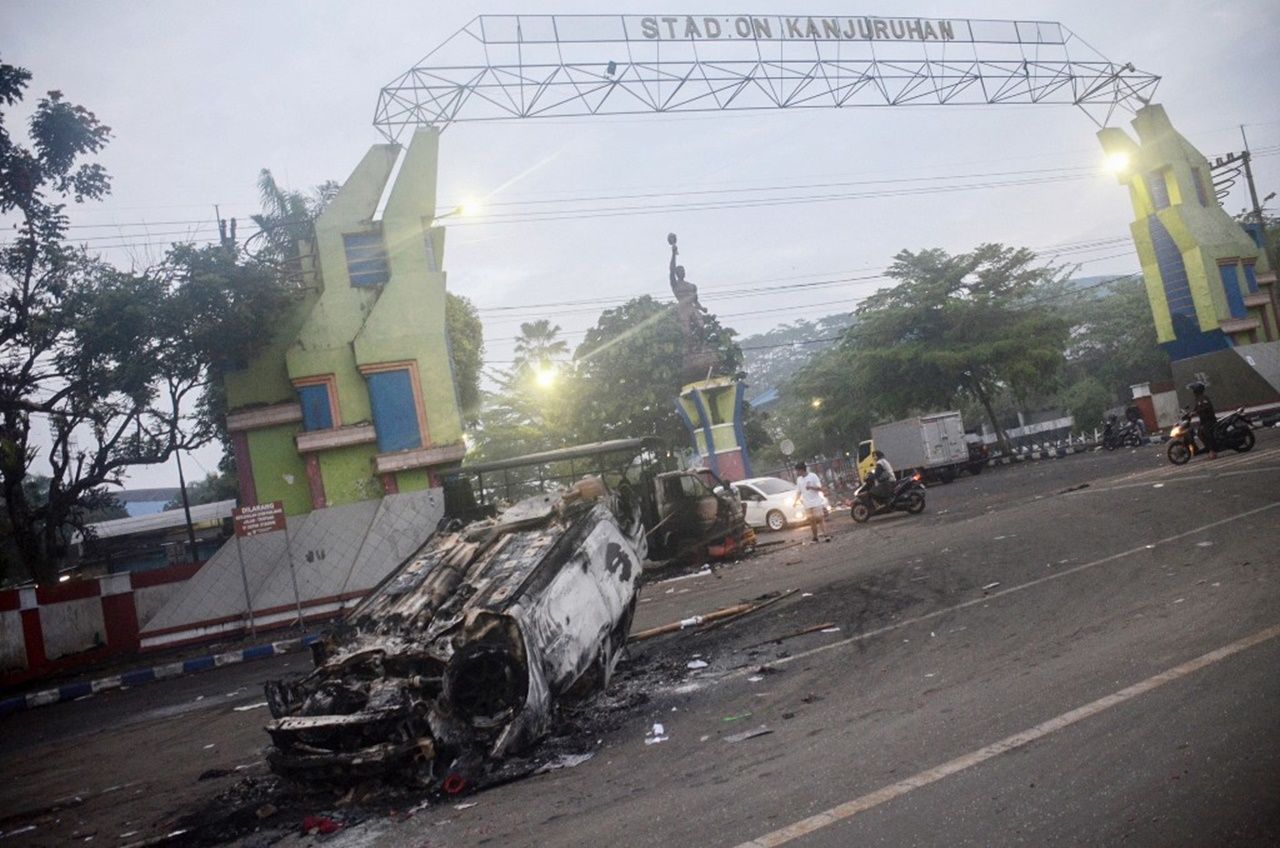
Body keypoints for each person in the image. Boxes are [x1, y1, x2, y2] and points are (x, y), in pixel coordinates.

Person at [794, 461, 830, 542]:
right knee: (812, 521)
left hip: (816, 502)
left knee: (820, 518)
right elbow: (799, 492)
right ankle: (815, 537)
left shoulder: (813, 476)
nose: (796, 472)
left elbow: (820, 488)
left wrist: (811, 487)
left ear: (801, 470)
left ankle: (826, 535)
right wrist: (795, 501)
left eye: (797, 470)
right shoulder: (799, 479)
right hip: (807, 503)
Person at [1190, 381, 1217, 459]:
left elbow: (1205, 407)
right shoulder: (1198, 399)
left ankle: (1212, 451)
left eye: (1193, 390)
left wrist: (1196, 412)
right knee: (1199, 432)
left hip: (1209, 420)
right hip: (1204, 421)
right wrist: (1190, 413)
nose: (1193, 392)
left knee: (1205, 433)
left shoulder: (1203, 398)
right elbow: (1196, 408)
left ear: (1197, 390)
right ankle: (1208, 449)